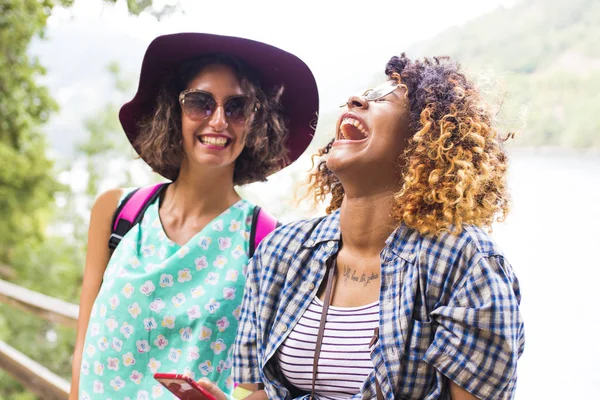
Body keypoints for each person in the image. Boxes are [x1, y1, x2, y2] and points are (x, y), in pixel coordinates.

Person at [198, 54, 525, 400]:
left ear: (423, 143)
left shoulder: (468, 264)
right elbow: (252, 390)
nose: (356, 100)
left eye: (384, 98)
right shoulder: (281, 251)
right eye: (361, 95)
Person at [69, 32, 319, 400]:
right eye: (200, 103)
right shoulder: (117, 213)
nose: (218, 120)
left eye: (237, 107)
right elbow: (83, 345)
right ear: (174, 110)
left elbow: (274, 382)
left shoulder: (266, 241)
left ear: (254, 122)